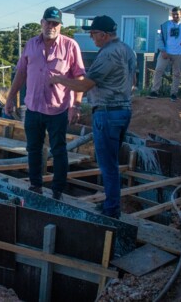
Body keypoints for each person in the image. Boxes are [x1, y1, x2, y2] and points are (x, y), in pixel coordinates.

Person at [49, 16, 136, 218]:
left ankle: (112, 210)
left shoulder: (108, 54)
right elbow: (132, 81)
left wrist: (58, 79)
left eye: (94, 33)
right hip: (124, 110)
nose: (92, 36)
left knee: (108, 165)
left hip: (107, 112)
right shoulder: (127, 50)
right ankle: (111, 204)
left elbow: (83, 85)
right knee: (111, 162)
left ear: (104, 35)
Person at [4, 6, 85, 200]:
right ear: (41, 23)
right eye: (48, 22)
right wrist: (10, 97)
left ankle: (57, 191)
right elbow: (21, 73)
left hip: (58, 109)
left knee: (58, 150)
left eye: (55, 23)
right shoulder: (31, 44)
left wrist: (76, 105)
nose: (51, 26)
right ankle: (35, 186)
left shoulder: (70, 46)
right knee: (33, 148)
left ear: (60, 26)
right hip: (33, 108)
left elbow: (80, 77)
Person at [149, 6, 181, 101]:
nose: (175, 16)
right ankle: (154, 91)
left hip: (180, 53)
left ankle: (174, 94)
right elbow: (159, 38)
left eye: (177, 14)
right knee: (159, 70)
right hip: (166, 52)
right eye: (174, 14)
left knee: (177, 74)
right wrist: (163, 50)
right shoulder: (165, 25)